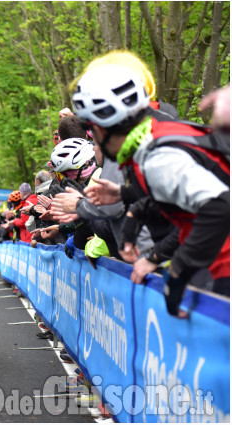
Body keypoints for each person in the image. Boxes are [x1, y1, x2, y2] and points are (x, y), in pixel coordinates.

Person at [74, 64, 229, 315]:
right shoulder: (153, 137)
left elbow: (219, 209)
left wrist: (176, 269)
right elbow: (175, 197)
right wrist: (126, 196)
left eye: (91, 131)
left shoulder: (156, 157)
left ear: (101, 129)